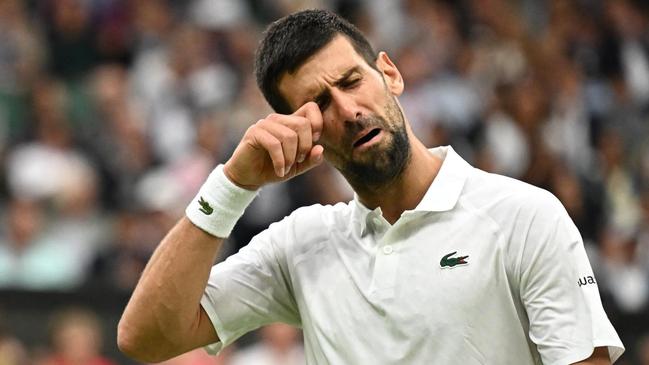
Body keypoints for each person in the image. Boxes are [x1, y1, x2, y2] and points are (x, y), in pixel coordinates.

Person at [118, 9, 625, 364]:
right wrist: (232, 184)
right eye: (318, 104)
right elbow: (145, 337)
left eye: (352, 81)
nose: (348, 110)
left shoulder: (524, 215)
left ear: (390, 73)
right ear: (299, 127)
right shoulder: (302, 242)